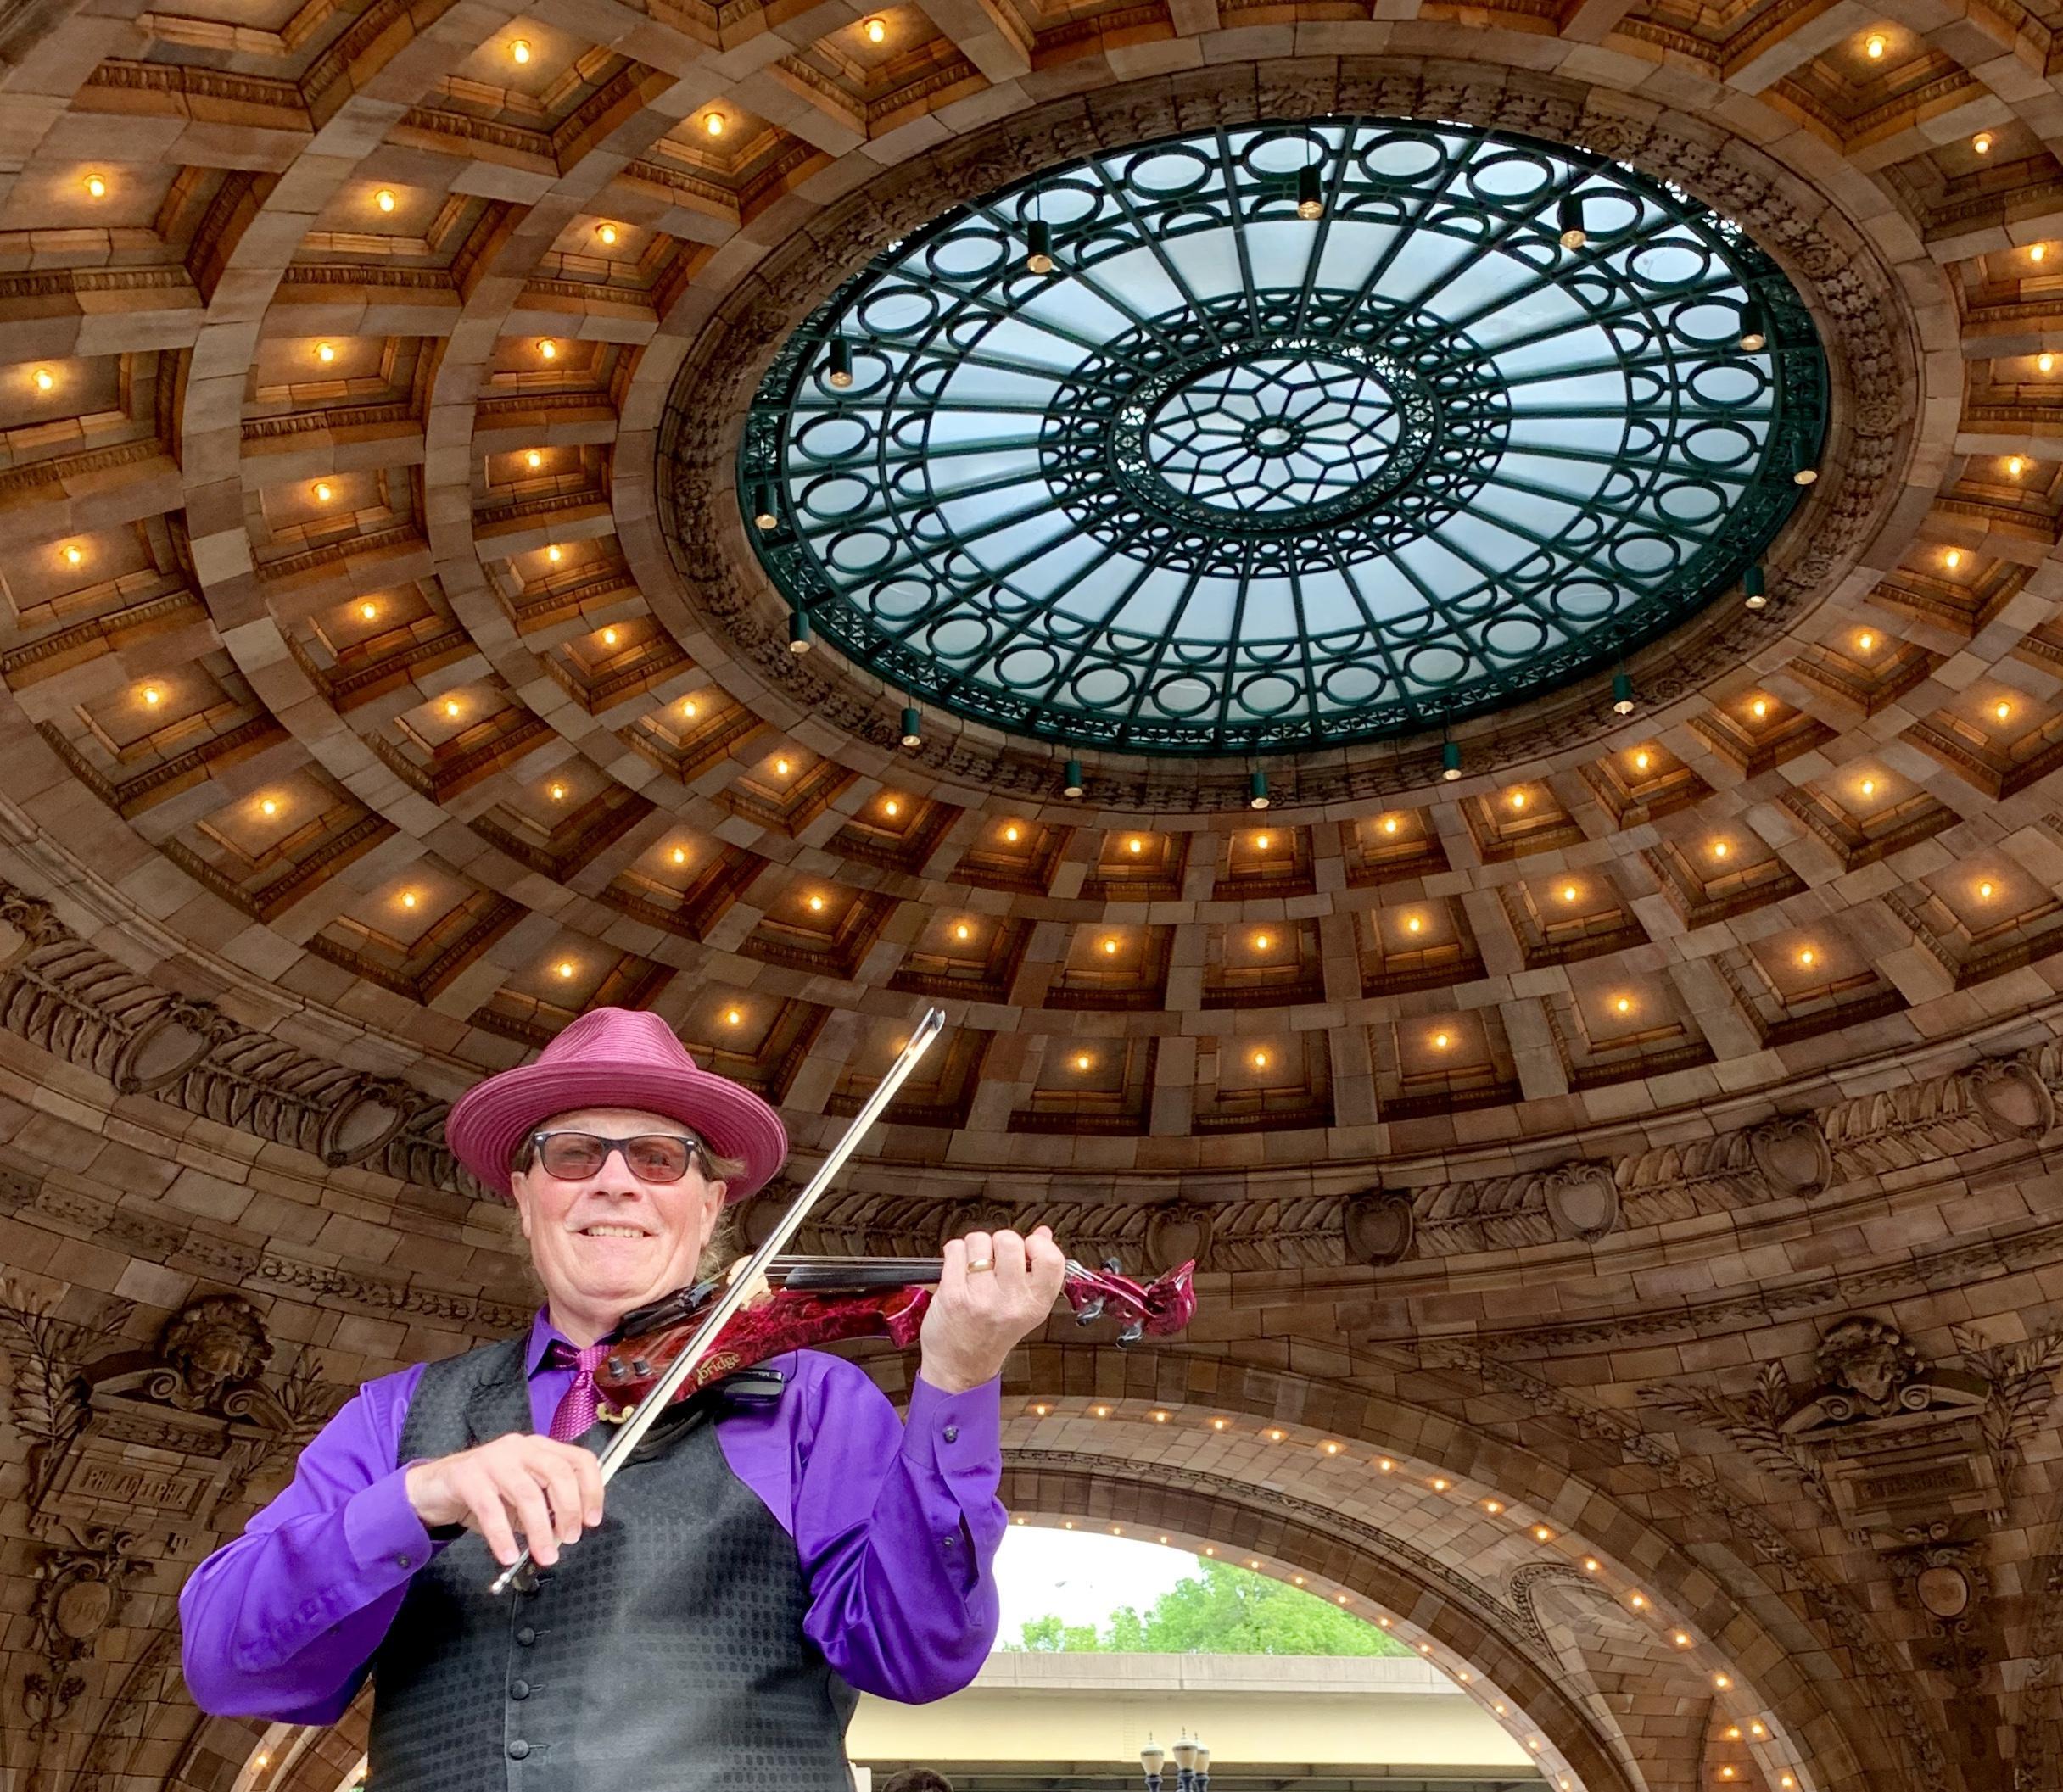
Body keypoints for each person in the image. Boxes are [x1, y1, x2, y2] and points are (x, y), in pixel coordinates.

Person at [180, 1007, 1065, 1791]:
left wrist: (958, 1379)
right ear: (524, 1196)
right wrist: (419, 1498)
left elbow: (916, 1654)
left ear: (708, 1204)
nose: (615, 1180)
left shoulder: (814, 1402)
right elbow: (228, 1665)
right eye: (572, 1153)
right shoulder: (394, 1415)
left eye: (657, 1156)